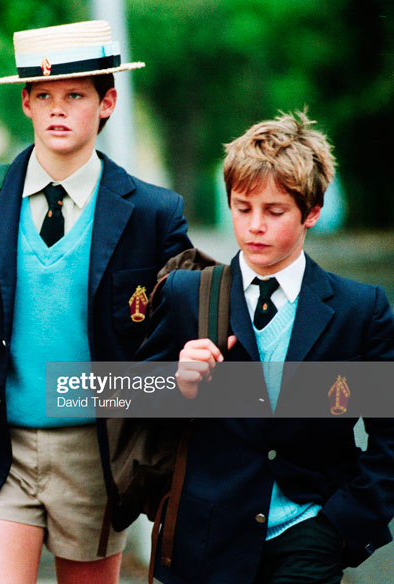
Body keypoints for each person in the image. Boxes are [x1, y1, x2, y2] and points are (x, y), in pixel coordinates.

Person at [0, 20, 192, 584]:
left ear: (106, 103)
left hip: (97, 454)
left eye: (76, 96)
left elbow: (177, 327)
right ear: (27, 104)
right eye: (44, 96)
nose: (59, 109)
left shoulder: (154, 212)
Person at [137, 111, 394, 583]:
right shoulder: (185, 294)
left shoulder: (361, 309)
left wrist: (343, 524)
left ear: (311, 212)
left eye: (274, 212)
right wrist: (176, 383)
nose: (255, 226)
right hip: (205, 539)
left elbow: (390, 432)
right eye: (242, 207)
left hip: (311, 535)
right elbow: (135, 406)